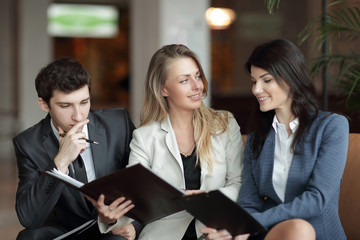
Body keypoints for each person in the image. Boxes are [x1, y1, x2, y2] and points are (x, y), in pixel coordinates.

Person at [200, 38, 349, 240]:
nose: (256, 90)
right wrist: (236, 228)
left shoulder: (331, 127)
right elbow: (249, 203)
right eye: (254, 81)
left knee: (299, 230)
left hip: (314, 235)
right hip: (269, 235)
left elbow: (317, 199)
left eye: (266, 80)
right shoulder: (256, 140)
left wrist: (253, 223)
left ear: (291, 78)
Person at [96, 44, 243, 239]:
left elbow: (239, 183)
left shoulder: (224, 124)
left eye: (197, 76)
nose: (197, 85)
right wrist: (110, 218)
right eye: (184, 80)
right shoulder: (145, 137)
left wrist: (207, 199)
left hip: (215, 233)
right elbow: (134, 200)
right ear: (163, 89)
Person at [13, 57, 142, 240]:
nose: (79, 116)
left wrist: (134, 226)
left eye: (84, 102)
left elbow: (145, 182)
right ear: (44, 104)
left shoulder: (118, 124)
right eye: (65, 106)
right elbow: (29, 218)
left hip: (113, 228)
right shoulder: (28, 143)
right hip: (67, 230)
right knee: (29, 237)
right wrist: (60, 162)